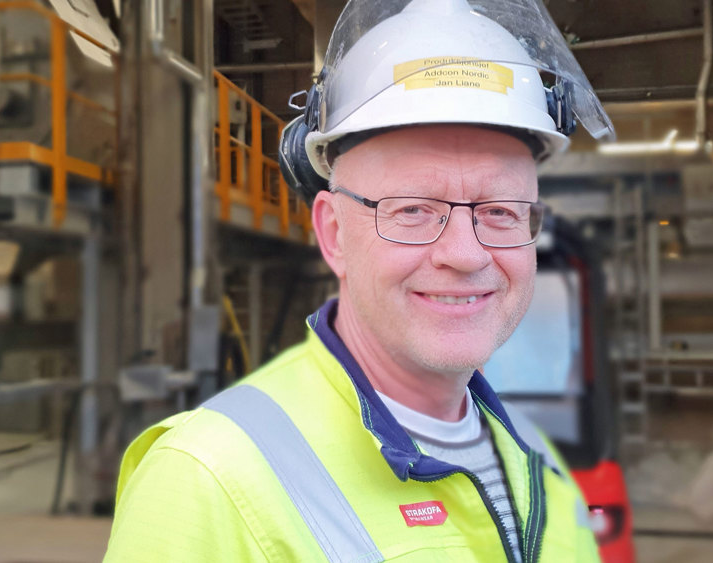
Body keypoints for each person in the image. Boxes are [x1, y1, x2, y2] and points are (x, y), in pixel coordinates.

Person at [105, 0, 614, 560]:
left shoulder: (535, 464)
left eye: (501, 210)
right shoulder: (206, 482)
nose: (467, 253)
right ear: (334, 233)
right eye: (413, 210)